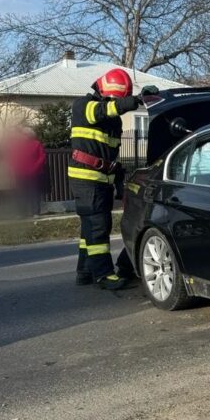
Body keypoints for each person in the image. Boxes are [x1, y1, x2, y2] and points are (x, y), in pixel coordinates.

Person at [69, 67, 158, 290]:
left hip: (103, 178)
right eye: (114, 99)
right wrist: (136, 100)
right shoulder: (83, 106)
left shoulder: (113, 123)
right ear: (102, 91)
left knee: (89, 228)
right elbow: (103, 110)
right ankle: (104, 274)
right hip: (86, 178)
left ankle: (85, 271)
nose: (115, 104)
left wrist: (119, 179)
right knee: (99, 226)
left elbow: (110, 152)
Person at [9, 125, 46, 217]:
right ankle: (22, 213)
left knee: (34, 193)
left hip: (33, 173)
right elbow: (13, 158)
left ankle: (35, 212)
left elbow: (42, 157)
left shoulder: (36, 144)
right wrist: (15, 169)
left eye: (24, 134)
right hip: (20, 173)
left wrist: (34, 168)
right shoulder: (17, 145)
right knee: (21, 193)